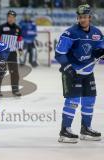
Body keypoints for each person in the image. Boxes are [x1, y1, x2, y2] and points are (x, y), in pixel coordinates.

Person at [55, 4, 104, 143]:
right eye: (80, 17)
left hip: (88, 72)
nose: (82, 19)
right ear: (78, 17)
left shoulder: (97, 33)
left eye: (85, 17)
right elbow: (59, 54)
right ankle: (65, 131)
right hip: (73, 72)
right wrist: (69, 68)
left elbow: (99, 49)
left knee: (89, 100)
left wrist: (100, 52)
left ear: (90, 17)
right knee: (72, 101)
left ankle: (86, 128)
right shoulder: (70, 33)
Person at [0, 10, 23, 97]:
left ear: (15, 18)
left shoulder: (18, 29)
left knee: (14, 72)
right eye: (9, 17)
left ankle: (15, 89)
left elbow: (19, 40)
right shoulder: (1, 27)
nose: (11, 19)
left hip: (13, 53)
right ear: (7, 17)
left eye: (13, 17)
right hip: (2, 53)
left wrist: (20, 49)